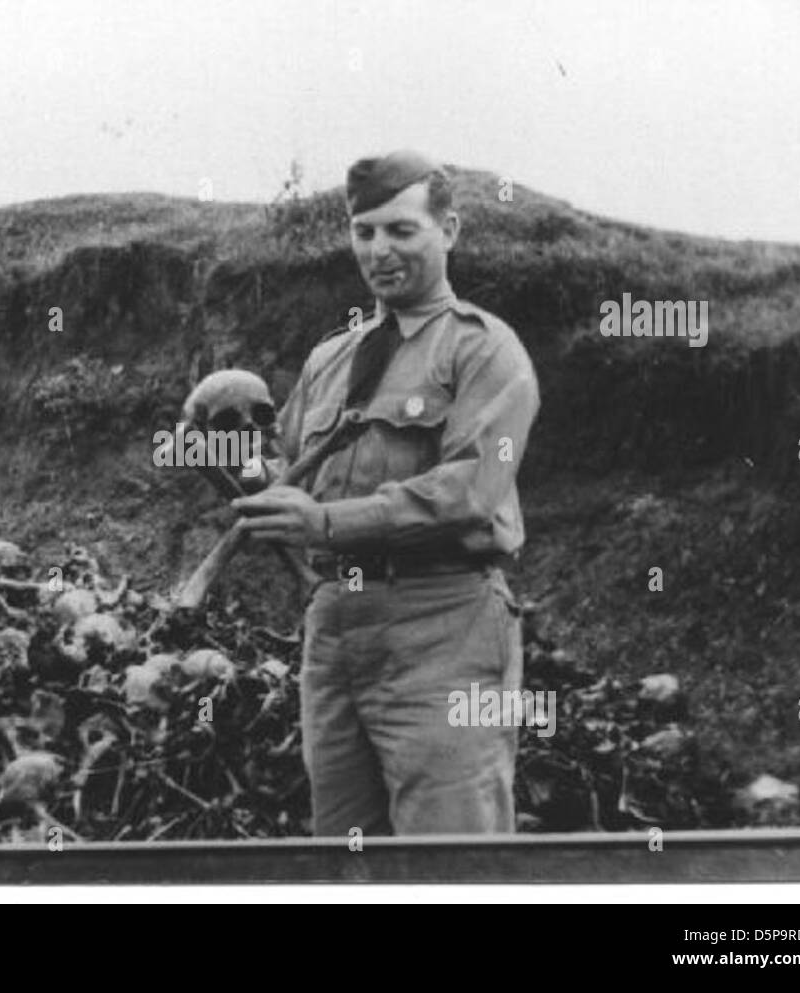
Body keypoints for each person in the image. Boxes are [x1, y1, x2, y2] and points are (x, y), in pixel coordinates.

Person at [232, 150, 540, 835]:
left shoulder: (485, 351)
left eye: (401, 230)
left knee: (452, 863)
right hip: (337, 634)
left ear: (449, 230)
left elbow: (470, 490)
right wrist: (232, 459)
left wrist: (326, 523)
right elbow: (286, 474)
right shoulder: (328, 360)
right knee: (346, 859)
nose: (379, 250)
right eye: (364, 231)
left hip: (446, 628)